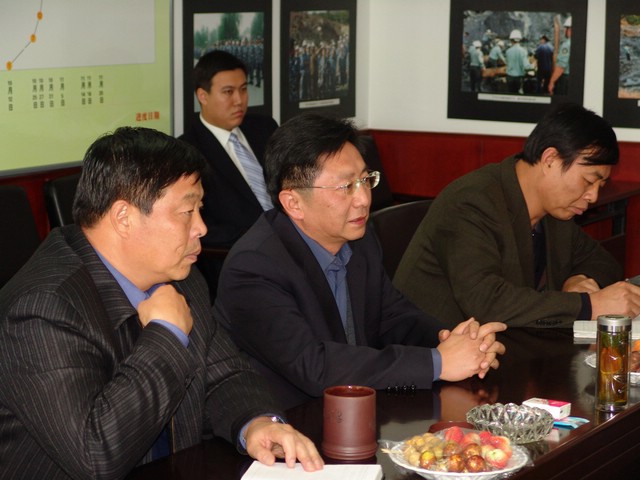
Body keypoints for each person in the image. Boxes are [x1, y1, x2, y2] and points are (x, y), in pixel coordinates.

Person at [0, 127, 323, 479]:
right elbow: (95, 455)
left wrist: (256, 423)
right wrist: (166, 334)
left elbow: (224, 374)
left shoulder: (180, 277)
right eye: (186, 211)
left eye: (200, 209)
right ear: (124, 218)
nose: (201, 228)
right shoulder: (41, 309)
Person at [214, 113, 506, 410]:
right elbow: (314, 366)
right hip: (285, 421)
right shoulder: (254, 267)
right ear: (294, 203)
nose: (364, 199)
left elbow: (392, 316)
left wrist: (455, 341)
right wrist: (438, 362)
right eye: (345, 187)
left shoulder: (359, 240)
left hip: (353, 411)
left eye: (365, 180)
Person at [394, 103, 640, 329]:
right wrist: (587, 305)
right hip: (431, 349)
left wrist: (578, 280)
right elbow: (486, 302)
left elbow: (603, 262)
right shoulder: (472, 202)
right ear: (550, 160)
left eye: (600, 185)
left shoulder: (555, 211)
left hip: (502, 344)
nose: (593, 196)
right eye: (588, 181)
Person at [180, 50, 277, 301]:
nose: (239, 100)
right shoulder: (187, 151)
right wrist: (264, 236)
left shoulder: (265, 128)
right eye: (228, 92)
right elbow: (197, 226)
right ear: (202, 96)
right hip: (234, 261)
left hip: (289, 246)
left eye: (243, 90)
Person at [505, 29, 533, 94]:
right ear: (519, 40)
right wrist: (532, 67)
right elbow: (526, 66)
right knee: (518, 95)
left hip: (509, 77)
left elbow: (508, 63)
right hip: (519, 77)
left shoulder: (508, 51)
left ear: (511, 40)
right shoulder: (523, 51)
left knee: (510, 94)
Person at [548, 17, 571, 95]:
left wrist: (552, 82)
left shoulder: (566, 45)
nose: (564, 30)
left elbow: (561, 67)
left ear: (569, 29)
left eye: (566, 28)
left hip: (565, 79)